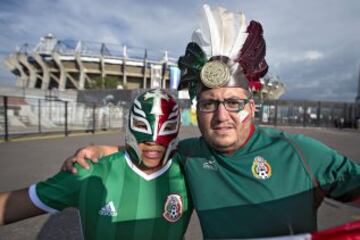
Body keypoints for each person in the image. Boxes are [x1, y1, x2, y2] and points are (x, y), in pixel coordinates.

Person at [62, 4, 360, 239]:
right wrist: (105, 150)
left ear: (251, 106)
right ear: (198, 108)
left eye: (233, 103)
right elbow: (153, 152)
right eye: (209, 104)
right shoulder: (192, 154)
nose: (221, 116)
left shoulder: (301, 153)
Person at [0, 89, 192, 240]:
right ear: (128, 126)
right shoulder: (89, 172)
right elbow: (12, 206)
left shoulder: (191, 172)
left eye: (166, 127)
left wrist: (103, 148)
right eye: (142, 126)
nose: (153, 140)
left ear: (177, 129)